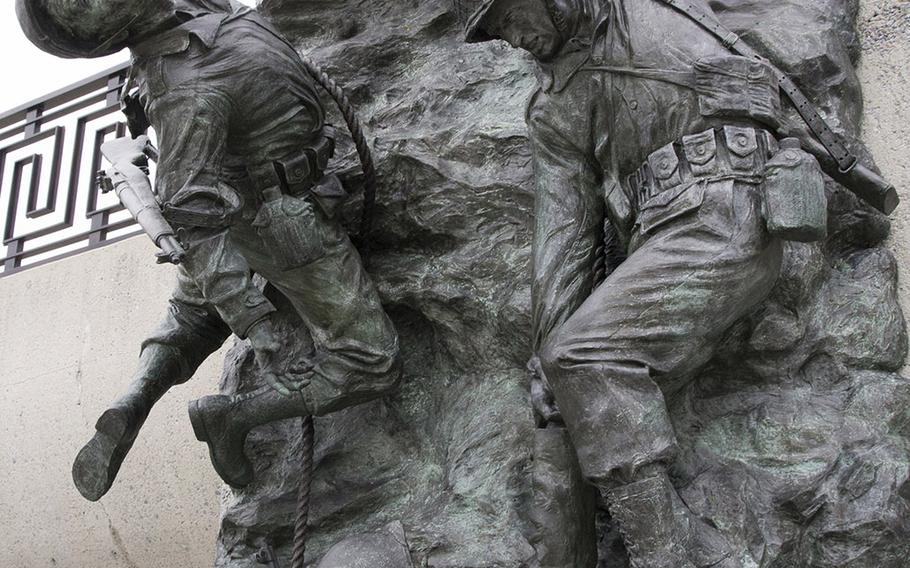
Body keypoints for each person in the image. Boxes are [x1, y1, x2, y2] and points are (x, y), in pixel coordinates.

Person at [461, 0, 817, 566]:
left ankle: (676, 555)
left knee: (584, 359)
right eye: (497, 30)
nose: (512, 38)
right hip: (661, 243)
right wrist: (546, 371)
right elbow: (564, 243)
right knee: (573, 383)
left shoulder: (638, 13)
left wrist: (563, 362)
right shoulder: (556, 106)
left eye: (510, 16)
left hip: (729, 213)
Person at [17, 0, 400, 500]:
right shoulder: (182, 82)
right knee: (371, 361)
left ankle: (132, 402)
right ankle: (231, 416)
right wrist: (259, 326)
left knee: (193, 316)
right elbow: (190, 222)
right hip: (281, 222)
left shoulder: (189, 16)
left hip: (248, 209)